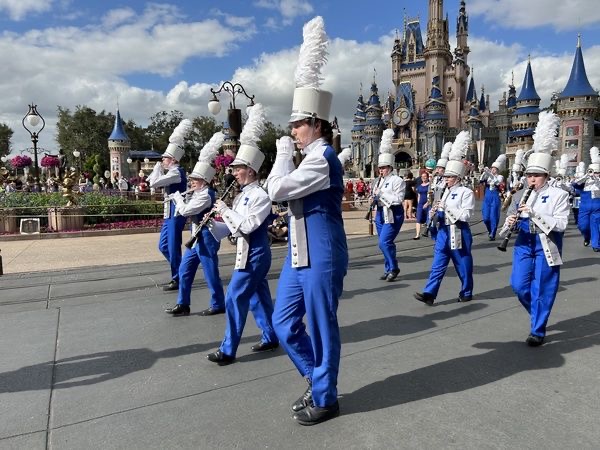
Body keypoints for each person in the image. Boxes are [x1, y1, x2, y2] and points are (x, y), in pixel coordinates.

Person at [266, 16, 348, 426]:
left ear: (315, 123)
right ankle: (316, 380)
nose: (292, 130)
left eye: (297, 124)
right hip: (299, 251)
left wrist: (281, 154)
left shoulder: (323, 158)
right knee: (283, 322)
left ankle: (326, 397)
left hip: (322, 250)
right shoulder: (309, 156)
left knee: (320, 325)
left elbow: (276, 190)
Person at [206, 103, 278, 365]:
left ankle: (228, 349)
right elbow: (233, 228)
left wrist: (225, 210)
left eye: (238, 168)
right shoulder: (242, 195)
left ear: (251, 169)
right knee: (258, 299)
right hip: (246, 252)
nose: (234, 172)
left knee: (235, 298)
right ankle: (270, 336)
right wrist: (212, 225)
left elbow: (247, 226)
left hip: (255, 254)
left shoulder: (260, 196)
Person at [501, 111, 570, 346]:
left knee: (543, 286)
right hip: (523, 242)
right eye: (529, 175)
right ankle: (538, 314)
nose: (531, 179)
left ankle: (537, 330)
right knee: (518, 285)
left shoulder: (558, 195)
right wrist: (508, 225)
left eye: (536, 176)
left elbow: (560, 225)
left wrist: (535, 214)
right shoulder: (521, 193)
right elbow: (508, 221)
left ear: (546, 175)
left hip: (546, 243)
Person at [164, 132, 226, 317]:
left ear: (204, 181)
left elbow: (185, 211)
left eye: (195, 180)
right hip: (196, 235)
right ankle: (183, 304)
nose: (191, 182)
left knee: (210, 273)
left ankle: (218, 303)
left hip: (206, 236)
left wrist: (176, 198)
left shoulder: (206, 195)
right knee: (184, 270)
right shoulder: (197, 193)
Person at [415, 131, 475, 305]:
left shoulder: (466, 192)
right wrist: (433, 214)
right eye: (446, 176)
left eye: (449, 177)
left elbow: (466, 215)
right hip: (443, 230)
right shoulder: (445, 191)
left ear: (458, 178)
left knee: (462, 264)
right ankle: (429, 293)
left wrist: (446, 209)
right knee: (437, 264)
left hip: (458, 230)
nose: (446, 179)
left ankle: (466, 290)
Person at [148, 119, 191, 291]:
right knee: (163, 246)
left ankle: (178, 278)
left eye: (164, 158)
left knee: (173, 247)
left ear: (172, 159)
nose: (162, 160)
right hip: (169, 212)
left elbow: (154, 183)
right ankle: (181, 271)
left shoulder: (176, 173)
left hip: (176, 212)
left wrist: (157, 168)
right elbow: (152, 180)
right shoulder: (171, 171)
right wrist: (158, 168)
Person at [371, 128, 406, 281]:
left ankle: (394, 267)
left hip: (393, 213)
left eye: (384, 168)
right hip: (380, 212)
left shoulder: (397, 180)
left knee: (383, 242)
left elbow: (398, 199)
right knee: (385, 242)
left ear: (390, 168)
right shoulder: (378, 181)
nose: (381, 170)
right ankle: (388, 269)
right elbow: (377, 196)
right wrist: (373, 196)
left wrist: (381, 194)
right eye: (380, 168)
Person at [572, 147, 600, 250]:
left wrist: (597, 179)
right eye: (594, 172)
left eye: (597, 172)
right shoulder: (584, 182)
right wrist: (587, 175)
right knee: (583, 226)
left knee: (596, 226)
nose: (596, 174)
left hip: (597, 208)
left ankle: (596, 245)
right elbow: (575, 184)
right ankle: (587, 237)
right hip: (584, 208)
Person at [479, 154, 506, 240]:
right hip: (487, 197)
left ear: (497, 170)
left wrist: (489, 174)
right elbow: (481, 180)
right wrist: (484, 172)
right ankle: (490, 230)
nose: (492, 170)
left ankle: (493, 233)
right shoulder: (488, 176)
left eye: (494, 169)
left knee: (493, 216)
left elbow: (497, 182)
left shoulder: (500, 177)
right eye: (492, 168)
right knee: (486, 217)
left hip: (494, 197)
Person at [414, 171, 430, 239]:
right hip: (420, 204)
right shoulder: (419, 186)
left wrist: (428, 203)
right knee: (418, 219)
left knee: (428, 219)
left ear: (427, 177)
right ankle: (417, 234)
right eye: (422, 177)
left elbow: (431, 196)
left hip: (428, 203)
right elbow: (419, 196)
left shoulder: (430, 185)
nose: (423, 178)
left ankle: (428, 231)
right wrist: (418, 204)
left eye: (425, 177)